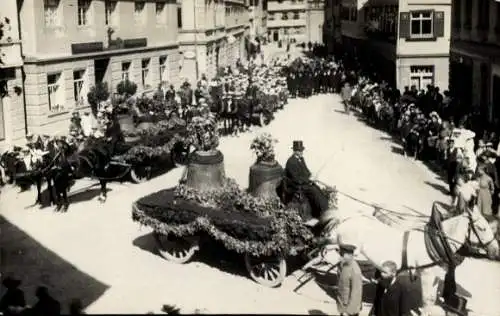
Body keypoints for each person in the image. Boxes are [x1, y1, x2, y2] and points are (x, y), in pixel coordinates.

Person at [284, 140, 329, 218]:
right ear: (294, 151)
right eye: (299, 150)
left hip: (303, 182)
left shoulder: (301, 159)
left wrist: (311, 176)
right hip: (295, 185)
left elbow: (306, 171)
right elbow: (295, 178)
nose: (301, 152)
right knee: (314, 191)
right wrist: (308, 180)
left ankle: (323, 210)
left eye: (301, 150)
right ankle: (322, 213)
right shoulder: (291, 162)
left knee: (317, 188)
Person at [336, 244, 363, 316]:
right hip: (343, 305)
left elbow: (356, 293)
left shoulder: (354, 270)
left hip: (349, 309)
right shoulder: (344, 265)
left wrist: (349, 311)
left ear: (350, 255)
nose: (340, 257)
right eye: (340, 254)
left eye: (342, 254)